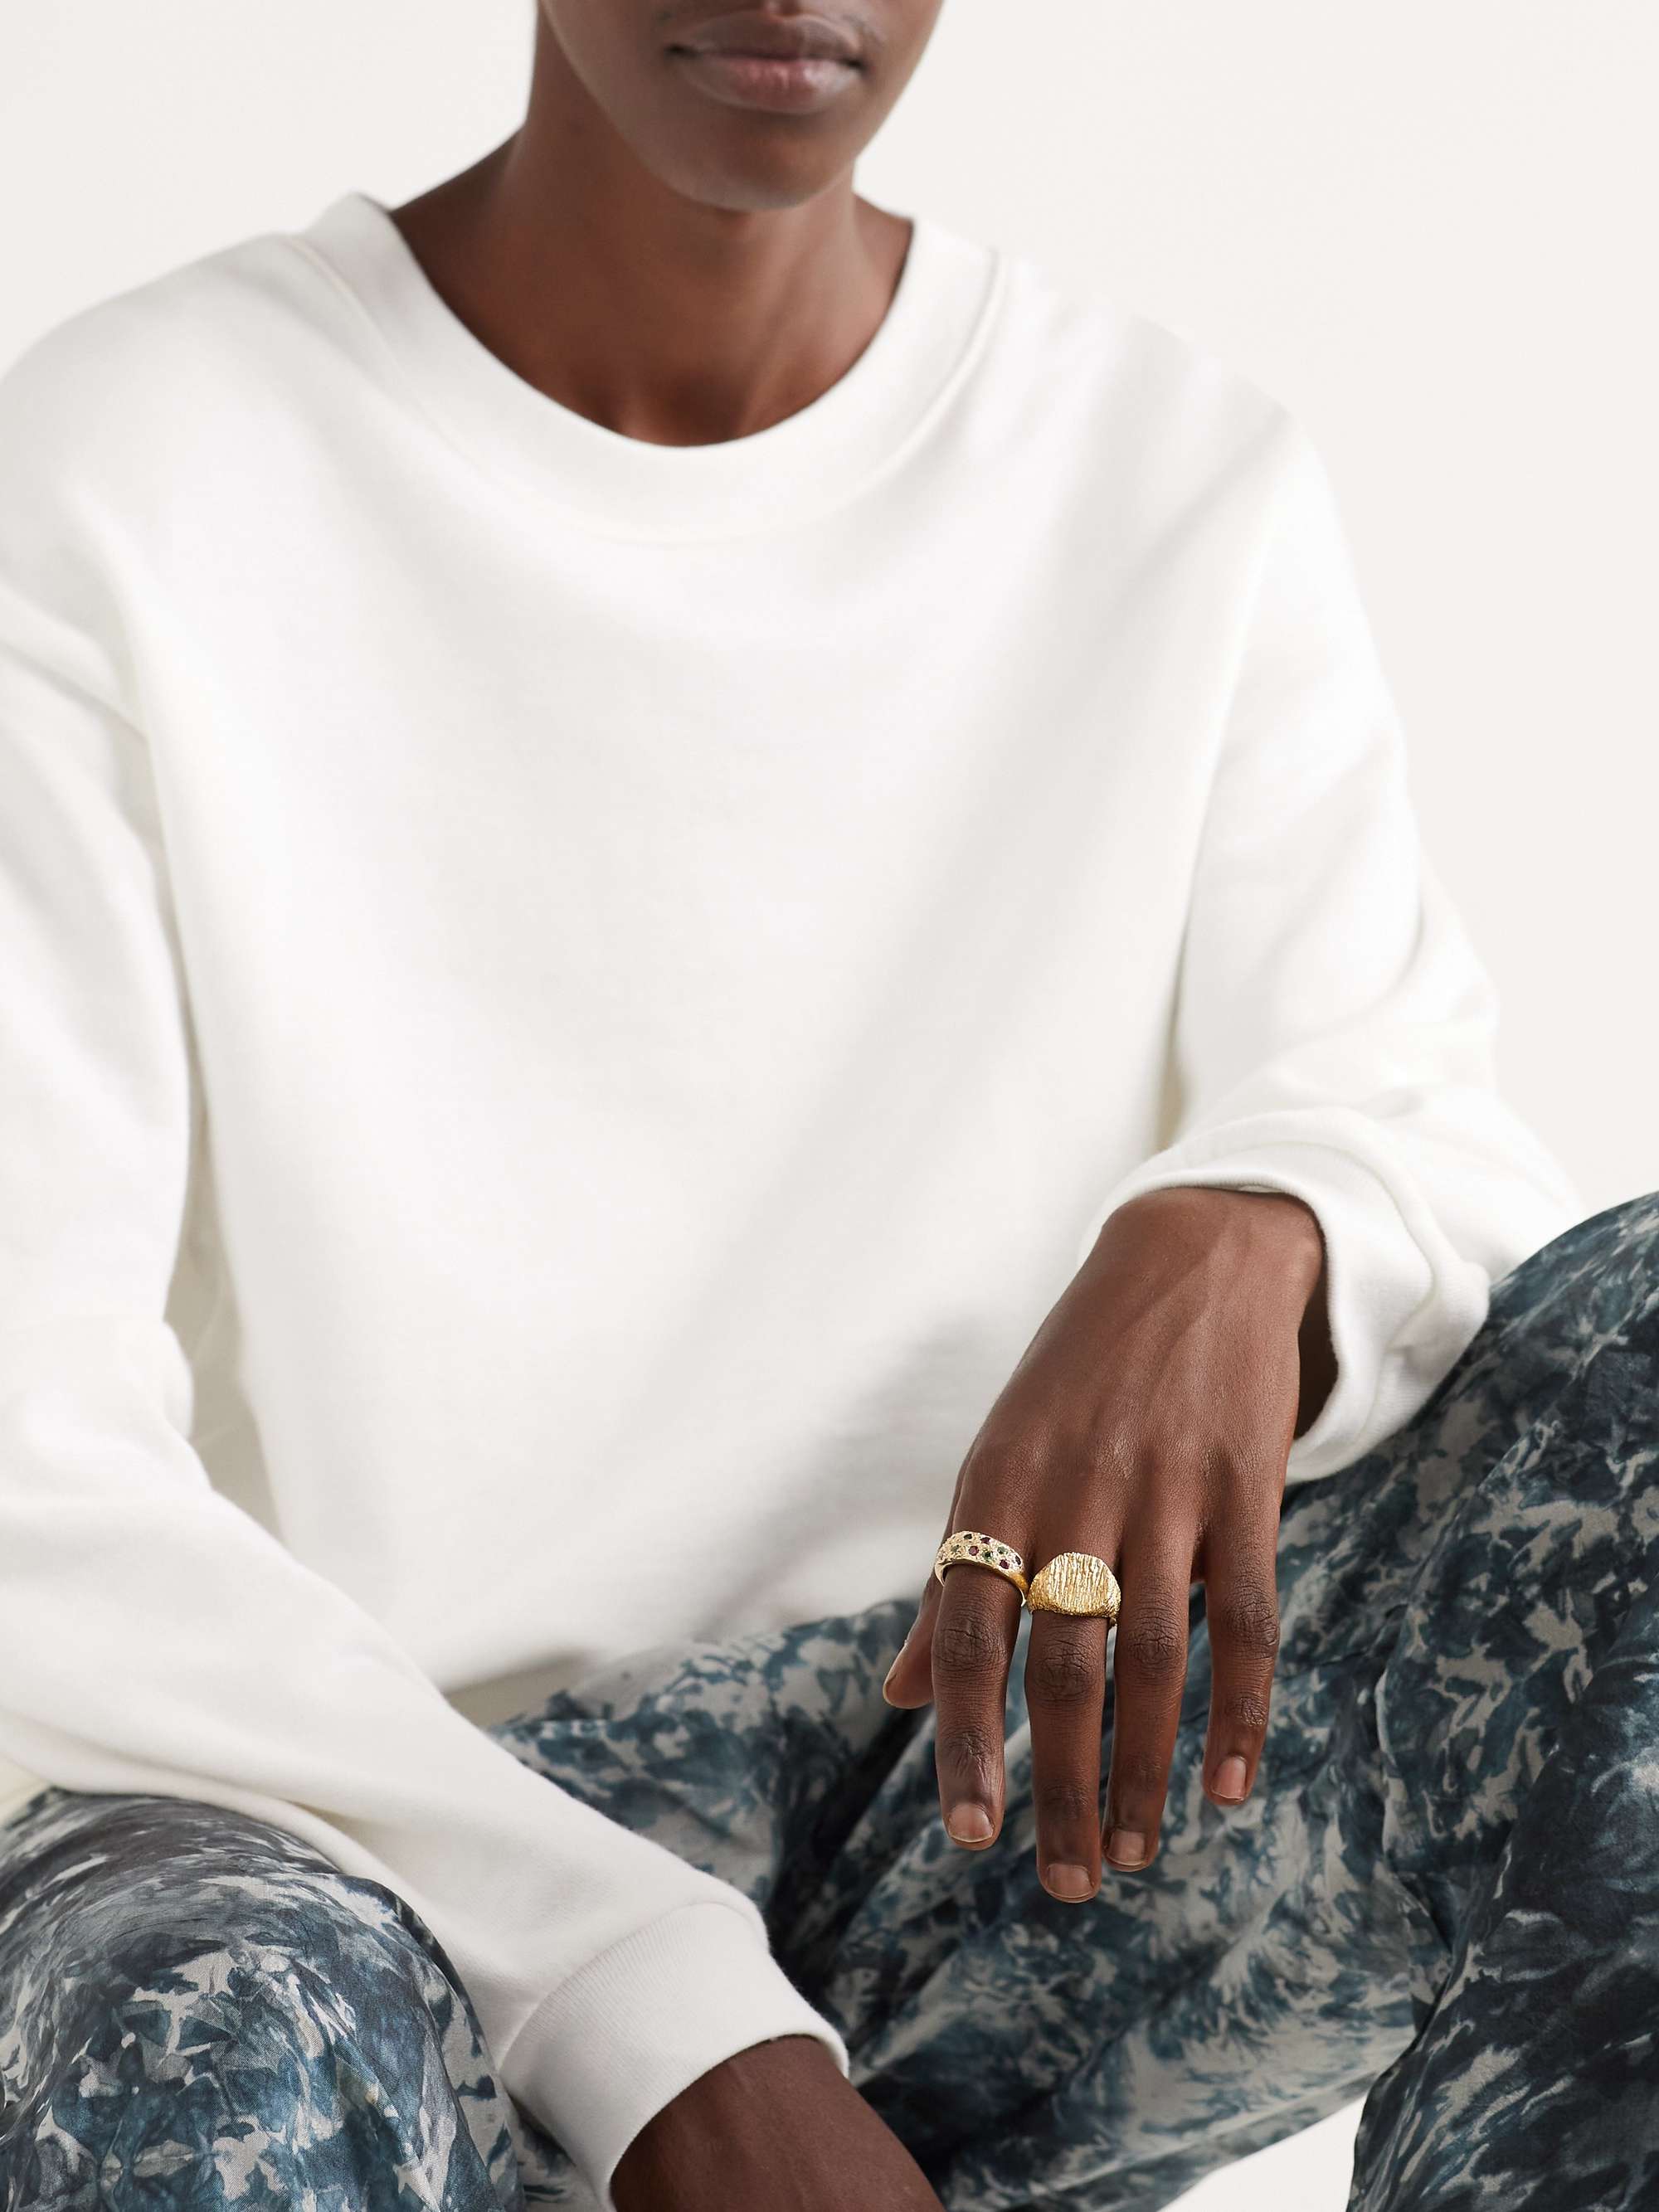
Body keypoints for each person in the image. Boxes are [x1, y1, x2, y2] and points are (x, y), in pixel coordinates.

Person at [1, 4, 1654, 2209]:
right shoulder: (131, 469)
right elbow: (27, 1460)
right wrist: (659, 2008)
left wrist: (1257, 1214)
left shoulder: (1168, 477)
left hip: (987, 1775)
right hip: (358, 1829)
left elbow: (1450, 1154)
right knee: (180, 2028)